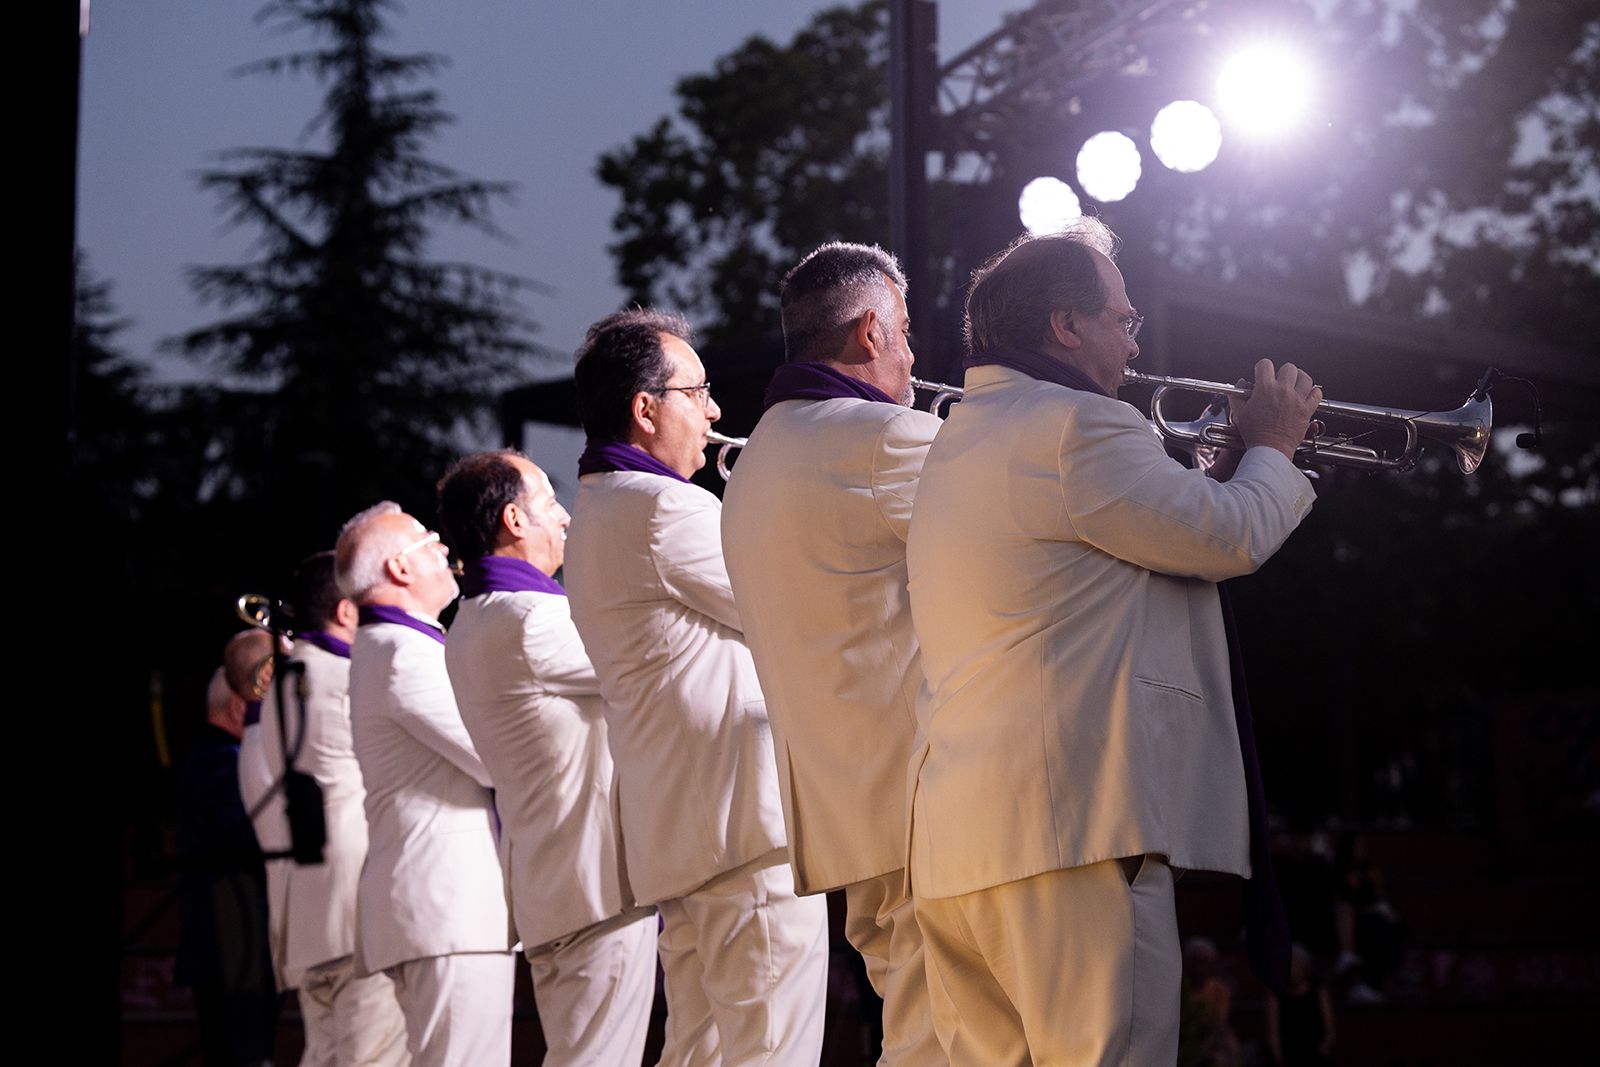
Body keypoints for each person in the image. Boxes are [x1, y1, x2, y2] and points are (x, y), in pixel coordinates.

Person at [905, 220, 1322, 1065]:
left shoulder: (956, 442)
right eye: (1124, 322)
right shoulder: (1081, 425)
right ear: (1067, 326)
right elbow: (1229, 536)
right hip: (1077, 836)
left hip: (961, 846)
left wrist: (1218, 468)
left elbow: (1109, 555)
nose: (1135, 345)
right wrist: (1274, 448)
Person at [564, 309, 829, 1066]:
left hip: (684, 841)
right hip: (742, 831)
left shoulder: (599, 511)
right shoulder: (662, 508)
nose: (715, 412)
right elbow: (791, 607)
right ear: (646, 409)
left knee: (699, 1052)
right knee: (769, 1051)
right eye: (699, 392)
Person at [720, 242, 945, 1065]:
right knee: (950, 1042)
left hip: (843, 813)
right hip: (927, 806)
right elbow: (1025, 530)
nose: (916, 356)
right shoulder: (882, 436)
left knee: (922, 1035)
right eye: (907, 333)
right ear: (869, 330)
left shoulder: (756, 461)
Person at [438, 450, 657, 1067]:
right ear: (512, 520)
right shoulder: (529, 620)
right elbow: (647, 658)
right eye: (548, 502)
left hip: (555, 884)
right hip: (593, 887)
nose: (563, 517)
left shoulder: (474, 620)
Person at [335, 502, 514, 1067]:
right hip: (446, 910)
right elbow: (497, 757)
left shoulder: (394, 648)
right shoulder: (400, 656)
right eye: (428, 540)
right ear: (400, 569)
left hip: (442, 910)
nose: (444, 549)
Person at [256, 551, 409, 1066]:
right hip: (358, 898)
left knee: (322, 1053)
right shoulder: (350, 677)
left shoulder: (280, 679)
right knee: (376, 1053)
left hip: (306, 902)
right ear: (346, 612)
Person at [177, 667, 278, 1067]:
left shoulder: (209, 759)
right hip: (233, 947)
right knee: (241, 1052)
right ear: (239, 708)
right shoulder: (222, 763)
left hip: (232, 946)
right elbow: (250, 837)